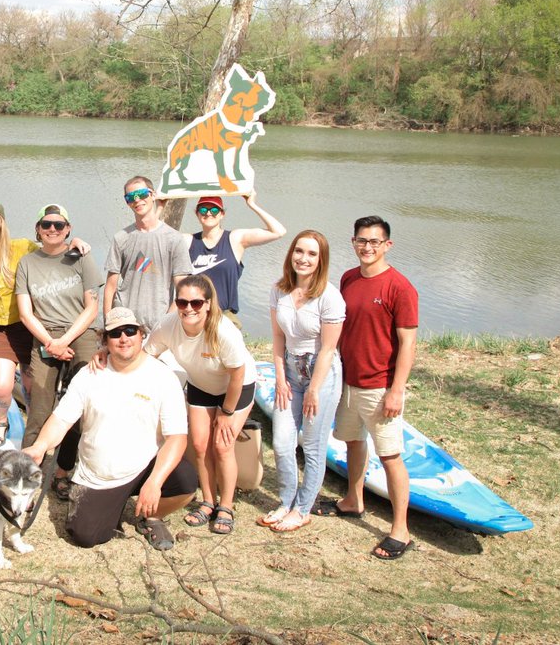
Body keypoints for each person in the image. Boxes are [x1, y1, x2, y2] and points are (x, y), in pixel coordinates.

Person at [22, 307, 196, 551]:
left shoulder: (163, 377)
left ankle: (151, 517)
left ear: (141, 335)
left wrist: (155, 482)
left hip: (143, 467)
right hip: (99, 476)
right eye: (115, 334)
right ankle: (108, 503)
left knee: (186, 481)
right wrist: (40, 447)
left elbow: (177, 438)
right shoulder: (88, 375)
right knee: (84, 536)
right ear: (104, 341)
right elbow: (61, 419)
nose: (124, 338)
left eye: (130, 331)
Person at [315, 215, 418, 560]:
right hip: (347, 380)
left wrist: (396, 389)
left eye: (375, 242)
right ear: (353, 242)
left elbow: (407, 343)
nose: (368, 247)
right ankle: (353, 500)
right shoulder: (348, 279)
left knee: (390, 456)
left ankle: (401, 530)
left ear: (387, 245)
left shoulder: (399, 288)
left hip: (379, 385)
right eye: (362, 240)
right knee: (352, 441)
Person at [0, 200, 91, 448]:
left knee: (32, 386)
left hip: (32, 325)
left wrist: (74, 241)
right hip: (1, 328)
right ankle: (1, 421)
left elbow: (50, 245)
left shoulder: (21, 247)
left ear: (2, 224)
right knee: (1, 385)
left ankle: (44, 427)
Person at [144, 274, 256, 535]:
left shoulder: (223, 330)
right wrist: (109, 352)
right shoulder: (168, 325)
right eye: (182, 303)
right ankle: (207, 501)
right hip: (201, 385)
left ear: (208, 303)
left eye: (196, 303)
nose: (188, 309)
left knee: (222, 444)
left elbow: (238, 373)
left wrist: (227, 413)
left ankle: (226, 507)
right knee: (199, 445)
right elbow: (146, 355)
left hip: (235, 386)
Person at [259, 230, 345, 533]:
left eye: (311, 254)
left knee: (312, 445)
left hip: (322, 374)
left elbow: (328, 349)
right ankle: (285, 501)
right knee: (282, 443)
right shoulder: (278, 290)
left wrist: (314, 390)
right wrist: (280, 379)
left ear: (321, 260)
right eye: (299, 251)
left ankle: (303, 508)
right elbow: (278, 338)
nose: (303, 259)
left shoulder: (329, 297)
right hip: (290, 374)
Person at [14, 204, 101, 498]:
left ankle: (64, 470)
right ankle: (25, 473)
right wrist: (51, 343)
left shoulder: (81, 258)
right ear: (38, 229)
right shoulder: (27, 263)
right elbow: (26, 313)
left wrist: (66, 340)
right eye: (47, 225)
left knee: (82, 401)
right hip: (45, 334)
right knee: (39, 406)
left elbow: (92, 308)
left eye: (59, 225)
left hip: (80, 331)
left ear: (68, 229)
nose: (53, 230)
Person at [103, 175, 192, 331]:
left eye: (142, 194)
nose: (137, 200)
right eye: (131, 197)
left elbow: (182, 290)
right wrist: (108, 325)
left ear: (153, 195)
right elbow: (110, 287)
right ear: (127, 202)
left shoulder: (174, 239)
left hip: (158, 326)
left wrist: (166, 324)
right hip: (124, 324)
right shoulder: (121, 238)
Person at [187, 190, 286, 326]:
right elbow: (155, 234)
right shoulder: (188, 241)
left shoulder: (235, 239)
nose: (208, 213)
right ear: (197, 214)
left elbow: (278, 231)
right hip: (193, 314)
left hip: (224, 316)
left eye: (214, 209)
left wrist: (252, 204)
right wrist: (160, 207)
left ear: (222, 214)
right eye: (203, 209)